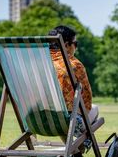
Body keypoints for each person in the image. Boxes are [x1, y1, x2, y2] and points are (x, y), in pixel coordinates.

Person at [48, 25, 98, 156]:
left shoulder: (38, 62)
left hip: (36, 120)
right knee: (94, 109)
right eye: (75, 43)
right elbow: (86, 99)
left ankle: (74, 151)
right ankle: (79, 147)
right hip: (66, 122)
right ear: (65, 45)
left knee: (59, 114)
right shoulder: (74, 64)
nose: (76, 47)